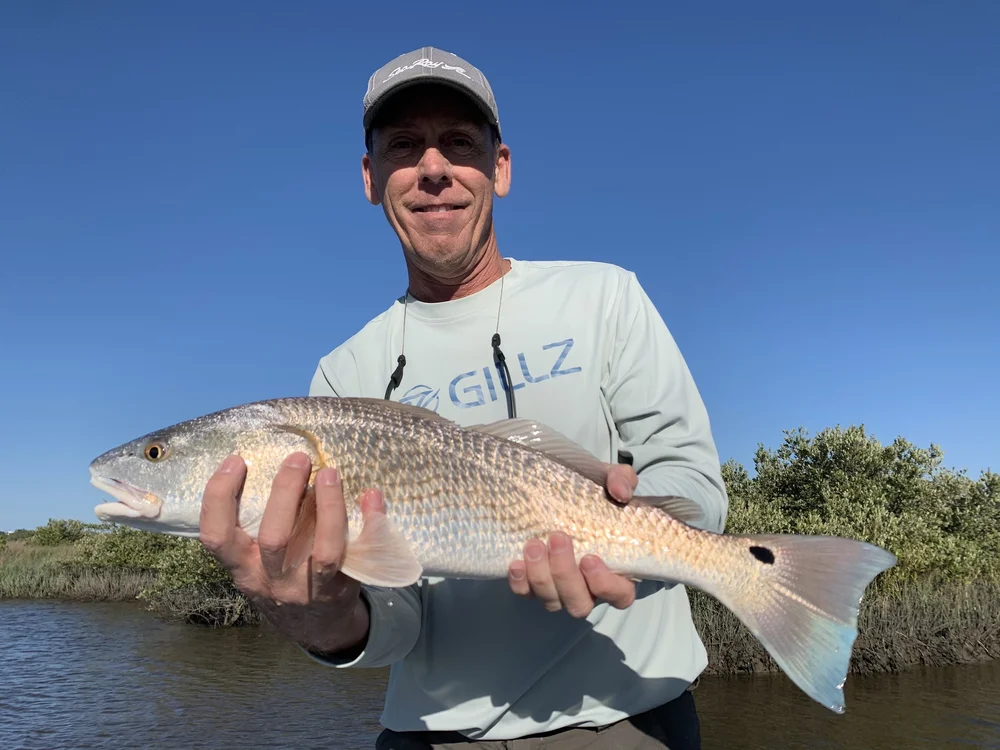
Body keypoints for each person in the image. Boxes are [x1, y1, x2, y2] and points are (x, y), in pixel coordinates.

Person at [198, 47, 729, 749]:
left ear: (499, 168)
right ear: (370, 177)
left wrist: (618, 538)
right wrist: (319, 616)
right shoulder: (341, 374)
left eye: (458, 143)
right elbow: (392, 615)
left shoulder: (606, 296)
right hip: (427, 734)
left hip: (625, 720)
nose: (433, 167)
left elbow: (697, 490)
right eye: (403, 146)